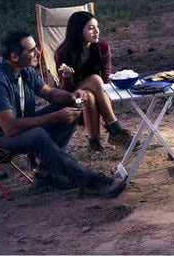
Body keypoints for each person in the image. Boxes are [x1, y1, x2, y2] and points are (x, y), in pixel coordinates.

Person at [0, 30, 127, 197]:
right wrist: (56, 117)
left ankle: (46, 175)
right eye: (32, 50)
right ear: (15, 56)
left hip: (15, 125)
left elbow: (49, 93)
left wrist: (72, 96)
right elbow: (10, 127)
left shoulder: (23, 70)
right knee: (37, 135)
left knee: (71, 106)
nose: (38, 52)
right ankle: (90, 182)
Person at [54, 11, 135, 153]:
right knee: (95, 80)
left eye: (97, 26)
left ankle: (94, 145)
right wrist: (66, 77)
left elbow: (107, 79)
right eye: (91, 28)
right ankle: (115, 130)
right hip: (71, 96)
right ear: (78, 31)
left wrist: (102, 98)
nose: (97, 31)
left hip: (95, 94)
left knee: (89, 95)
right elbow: (63, 90)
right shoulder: (63, 53)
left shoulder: (102, 48)